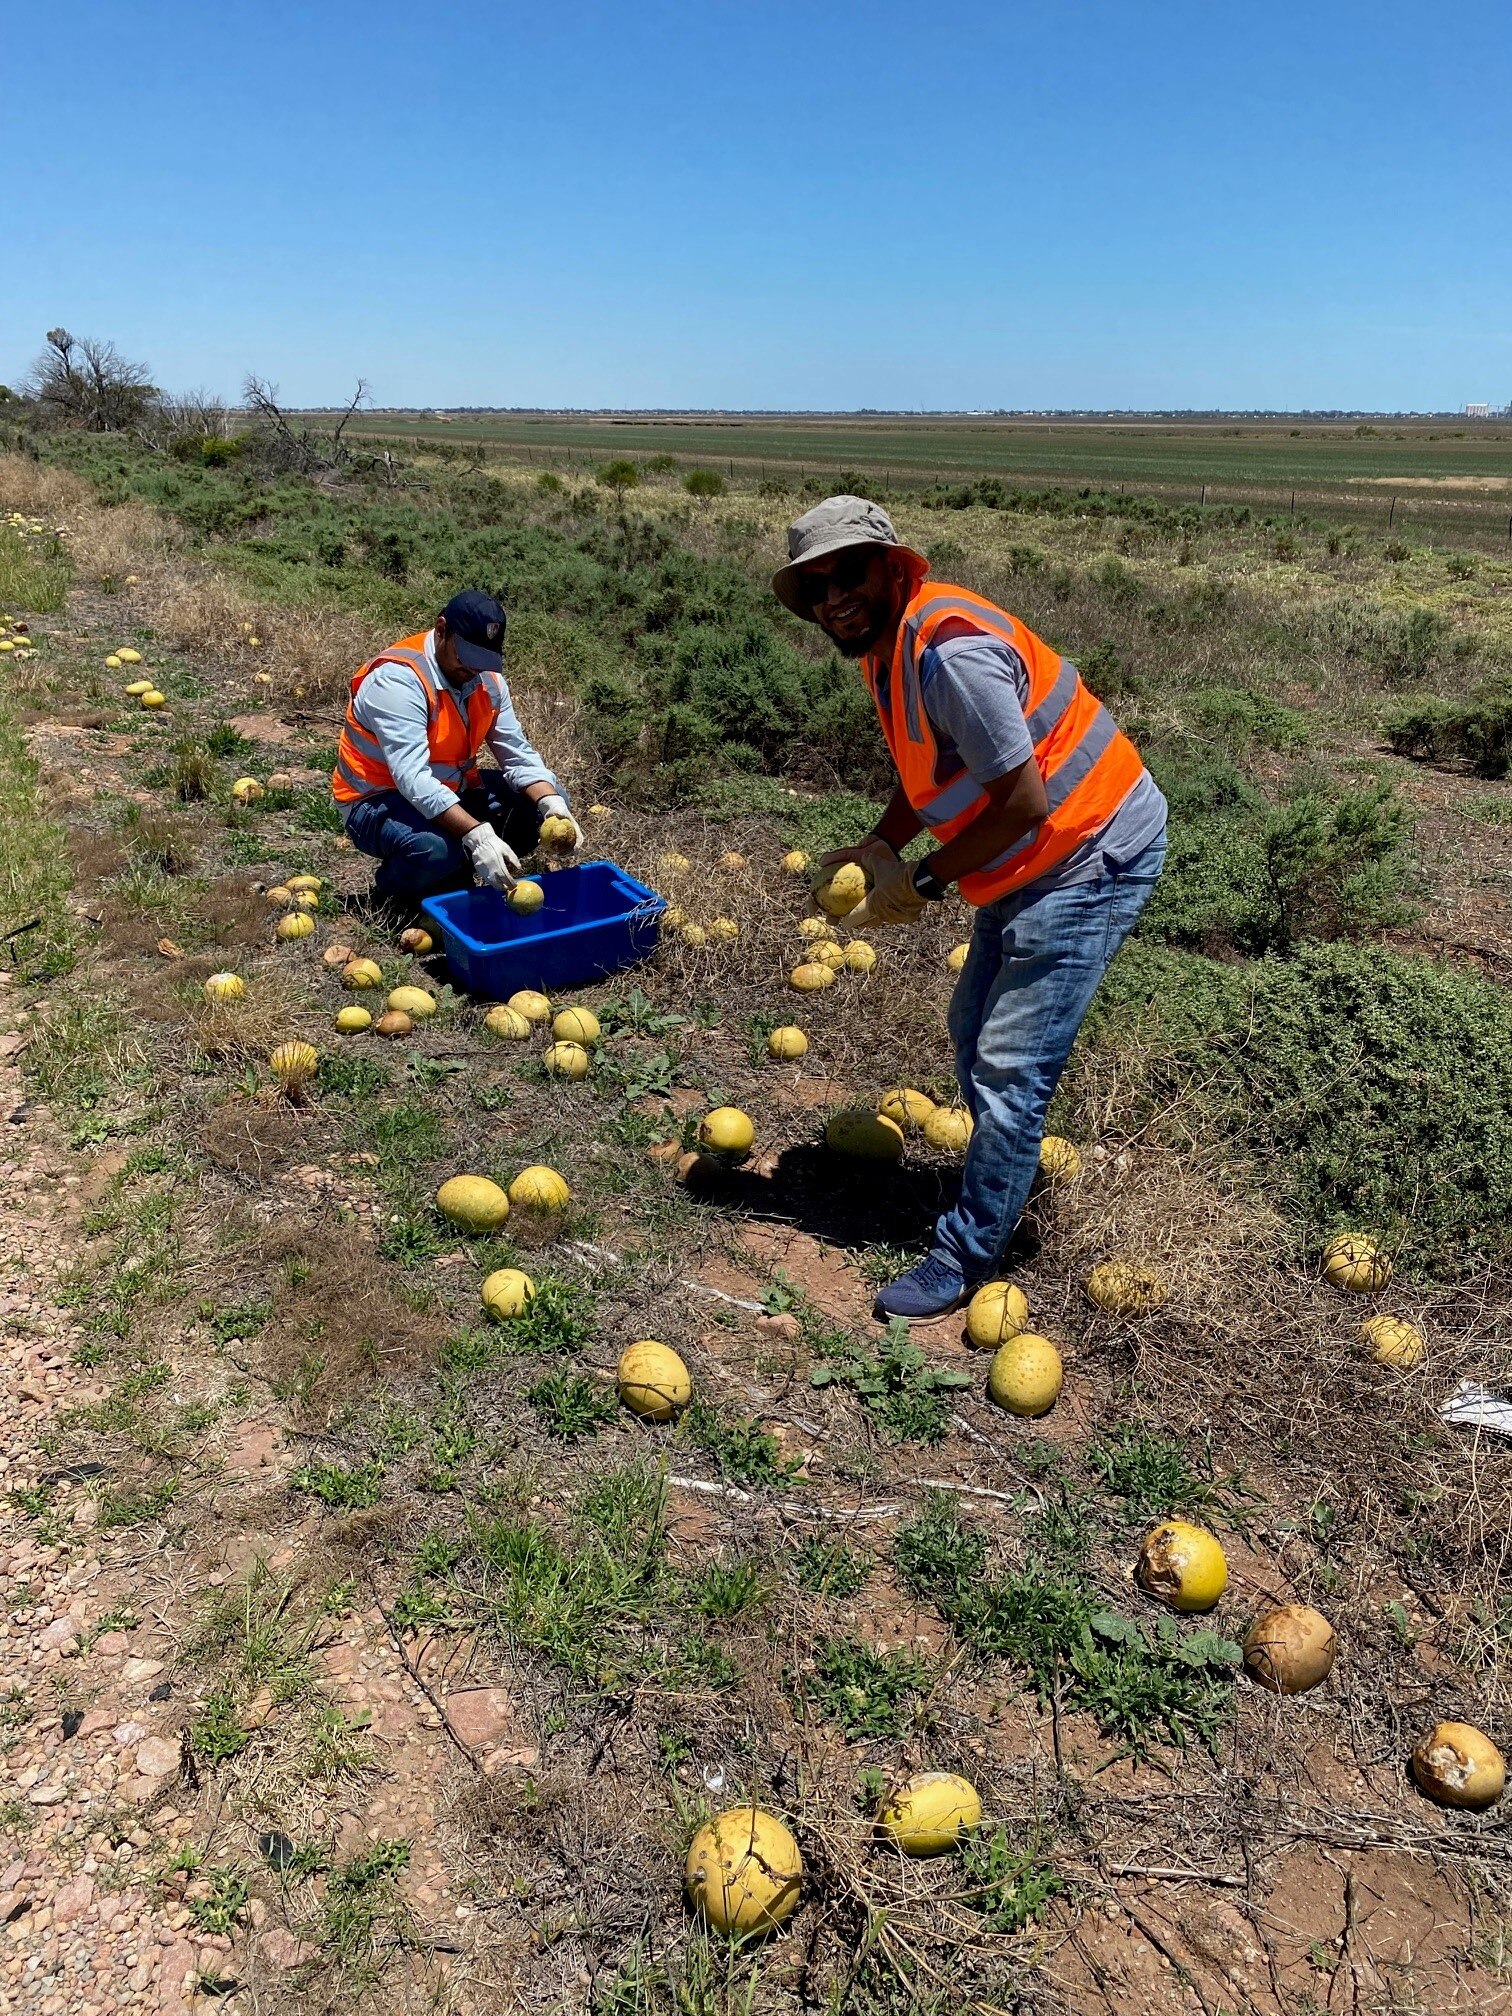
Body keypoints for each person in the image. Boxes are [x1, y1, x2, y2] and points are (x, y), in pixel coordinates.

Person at [773, 496, 1167, 1321]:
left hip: (1089, 852)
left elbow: (1022, 799)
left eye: (847, 574)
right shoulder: (884, 649)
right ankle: (998, 1169)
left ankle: (970, 1252)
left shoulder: (948, 653)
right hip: (1027, 859)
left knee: (1011, 1068)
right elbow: (933, 770)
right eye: (815, 587)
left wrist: (921, 881)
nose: (833, 597)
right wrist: (881, 842)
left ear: (892, 566)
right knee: (971, 1033)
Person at [331, 590, 580, 903]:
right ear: (441, 630)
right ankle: (388, 895)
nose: (473, 669)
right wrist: (476, 834)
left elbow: (517, 754)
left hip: (451, 789)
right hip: (377, 799)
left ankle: (459, 867)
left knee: (537, 807)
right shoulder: (398, 681)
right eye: (465, 656)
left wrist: (552, 804)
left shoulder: (487, 680)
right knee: (434, 851)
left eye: (483, 659)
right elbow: (413, 779)